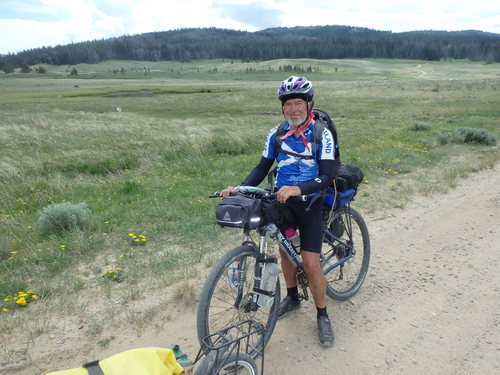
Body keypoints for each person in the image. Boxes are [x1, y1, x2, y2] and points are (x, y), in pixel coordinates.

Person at [220, 76, 340, 347]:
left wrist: (299, 189)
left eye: (299, 103)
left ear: (309, 104)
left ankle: (322, 314)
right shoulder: (276, 134)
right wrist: (240, 188)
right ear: (282, 107)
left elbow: (326, 175)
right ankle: (293, 297)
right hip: (283, 203)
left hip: (310, 203)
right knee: (286, 251)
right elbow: (262, 168)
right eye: (289, 104)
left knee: (310, 263)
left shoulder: (322, 134)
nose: (294, 109)